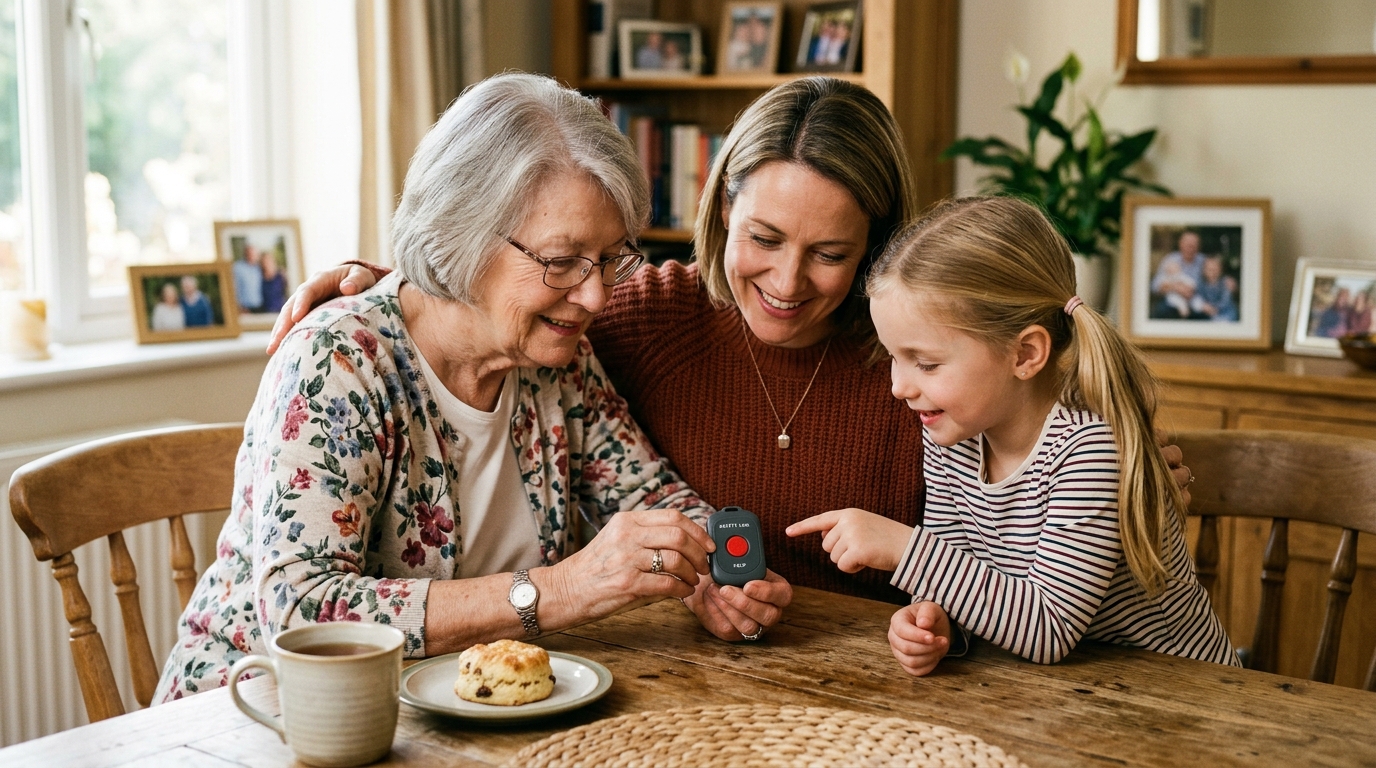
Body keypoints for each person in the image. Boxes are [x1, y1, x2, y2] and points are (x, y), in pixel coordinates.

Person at [271, 77, 1194, 623]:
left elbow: (660, 504)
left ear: (877, 252)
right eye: (764, 238)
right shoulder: (612, 320)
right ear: (718, 214)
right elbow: (473, 289)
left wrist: (708, 579)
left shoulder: (934, 361)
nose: (789, 282)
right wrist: (381, 283)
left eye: (832, 254)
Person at [153, 73, 793, 703]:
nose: (596, 294)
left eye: (608, 258)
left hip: (450, 716)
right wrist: (565, 588)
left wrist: (712, 571)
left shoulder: (555, 357)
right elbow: (303, 612)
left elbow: (646, 493)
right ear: (462, 232)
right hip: (256, 716)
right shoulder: (341, 361)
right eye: (561, 260)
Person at [788, 197, 1238, 676]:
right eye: (894, 357)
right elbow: (962, 575)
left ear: (1025, 353)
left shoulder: (1089, 450)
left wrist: (903, 548)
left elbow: (1047, 628)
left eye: (927, 363)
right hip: (1073, 695)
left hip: (1181, 694)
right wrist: (935, 621)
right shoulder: (953, 434)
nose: (899, 386)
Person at [1150, 231, 1205, 319]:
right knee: (1160, 311)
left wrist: (1227, 281)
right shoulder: (1170, 259)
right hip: (1173, 299)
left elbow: (1215, 280)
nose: (1190, 248)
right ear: (1180, 244)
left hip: (1196, 299)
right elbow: (1155, 286)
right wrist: (1177, 288)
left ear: (1199, 246)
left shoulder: (1204, 261)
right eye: (1187, 244)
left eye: (1193, 245)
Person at [1190, 255, 1237, 322]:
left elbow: (1226, 300)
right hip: (1207, 312)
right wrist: (1202, 305)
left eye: (1215, 269)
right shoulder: (1201, 283)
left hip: (1225, 312)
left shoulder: (1225, 282)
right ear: (1203, 270)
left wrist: (1215, 309)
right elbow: (1196, 296)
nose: (1212, 272)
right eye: (1209, 269)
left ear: (1221, 270)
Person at [233, 243, 264, 313]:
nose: (252, 256)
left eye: (254, 254)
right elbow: (234, 288)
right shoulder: (237, 267)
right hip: (244, 308)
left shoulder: (259, 268)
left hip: (259, 307)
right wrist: (239, 306)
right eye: (249, 253)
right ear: (245, 254)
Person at [259, 248, 288, 314]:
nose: (266, 263)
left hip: (280, 310)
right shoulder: (260, 278)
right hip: (266, 312)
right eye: (264, 261)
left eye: (268, 260)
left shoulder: (281, 276)